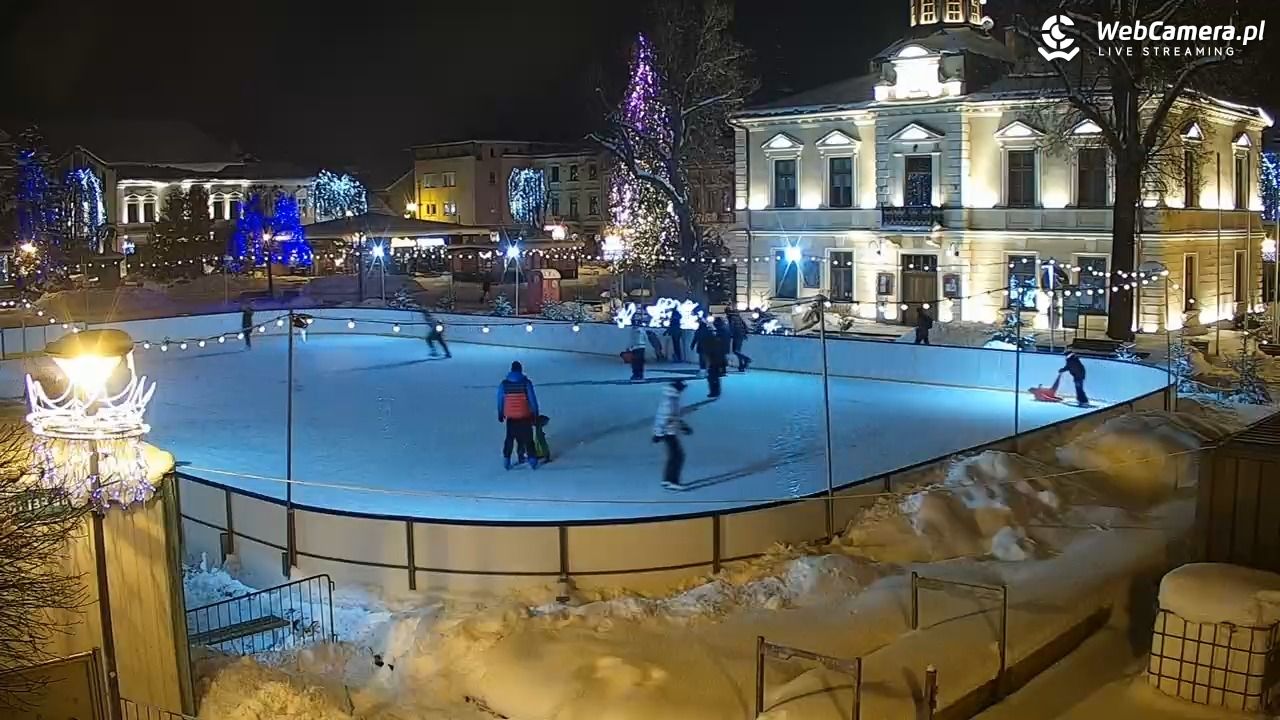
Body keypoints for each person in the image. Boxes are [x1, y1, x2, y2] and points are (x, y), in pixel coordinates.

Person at [498, 361, 540, 469]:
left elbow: (500, 400)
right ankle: (532, 461)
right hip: (524, 416)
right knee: (528, 439)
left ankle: (506, 461)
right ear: (521, 370)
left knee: (510, 439)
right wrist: (535, 413)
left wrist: (500, 412)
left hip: (511, 418)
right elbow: (532, 400)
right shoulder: (526, 383)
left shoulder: (504, 384)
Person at [653, 380, 692, 489]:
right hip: (668, 433)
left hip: (670, 432)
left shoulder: (672, 399)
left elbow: (674, 417)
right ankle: (672, 481)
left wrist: (683, 426)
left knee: (675, 456)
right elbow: (663, 418)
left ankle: (667, 479)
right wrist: (658, 433)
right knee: (678, 456)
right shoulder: (670, 401)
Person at [703, 321, 727, 398]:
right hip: (718, 361)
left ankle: (713, 392)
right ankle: (717, 391)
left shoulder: (709, 341)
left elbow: (708, 354)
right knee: (716, 377)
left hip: (713, 362)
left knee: (711, 377)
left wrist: (707, 364)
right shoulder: (719, 340)